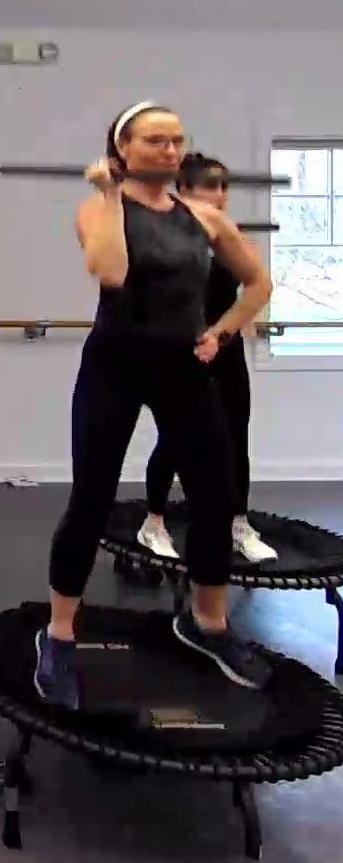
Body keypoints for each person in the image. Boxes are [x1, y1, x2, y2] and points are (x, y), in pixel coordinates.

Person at [35, 102, 275, 709]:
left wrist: (221, 333)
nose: (169, 150)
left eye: (176, 140)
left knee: (216, 495)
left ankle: (208, 623)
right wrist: (110, 195)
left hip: (181, 368)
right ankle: (58, 634)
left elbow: (258, 283)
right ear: (123, 149)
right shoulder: (97, 209)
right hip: (114, 365)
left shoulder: (203, 217)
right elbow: (110, 271)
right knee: (91, 500)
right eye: (154, 141)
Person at [137, 151, 277, 564]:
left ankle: (238, 523)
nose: (219, 195)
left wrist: (225, 332)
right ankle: (154, 523)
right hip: (179, 351)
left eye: (223, 186)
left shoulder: (233, 239)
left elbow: (255, 288)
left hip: (225, 350)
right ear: (182, 191)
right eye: (209, 186)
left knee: (235, 437)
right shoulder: (164, 239)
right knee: (175, 439)